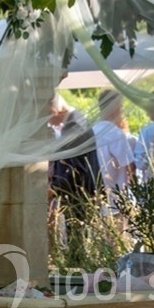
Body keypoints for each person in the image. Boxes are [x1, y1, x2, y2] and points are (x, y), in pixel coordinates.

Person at [48, 94, 101, 244]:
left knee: (78, 243)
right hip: (83, 194)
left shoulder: (74, 126)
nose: (48, 123)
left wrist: (54, 188)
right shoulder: (77, 120)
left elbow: (74, 169)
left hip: (79, 197)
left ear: (54, 111)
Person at [93, 89, 135, 195]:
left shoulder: (93, 131)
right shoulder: (115, 133)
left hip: (97, 193)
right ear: (117, 108)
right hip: (117, 195)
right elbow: (129, 166)